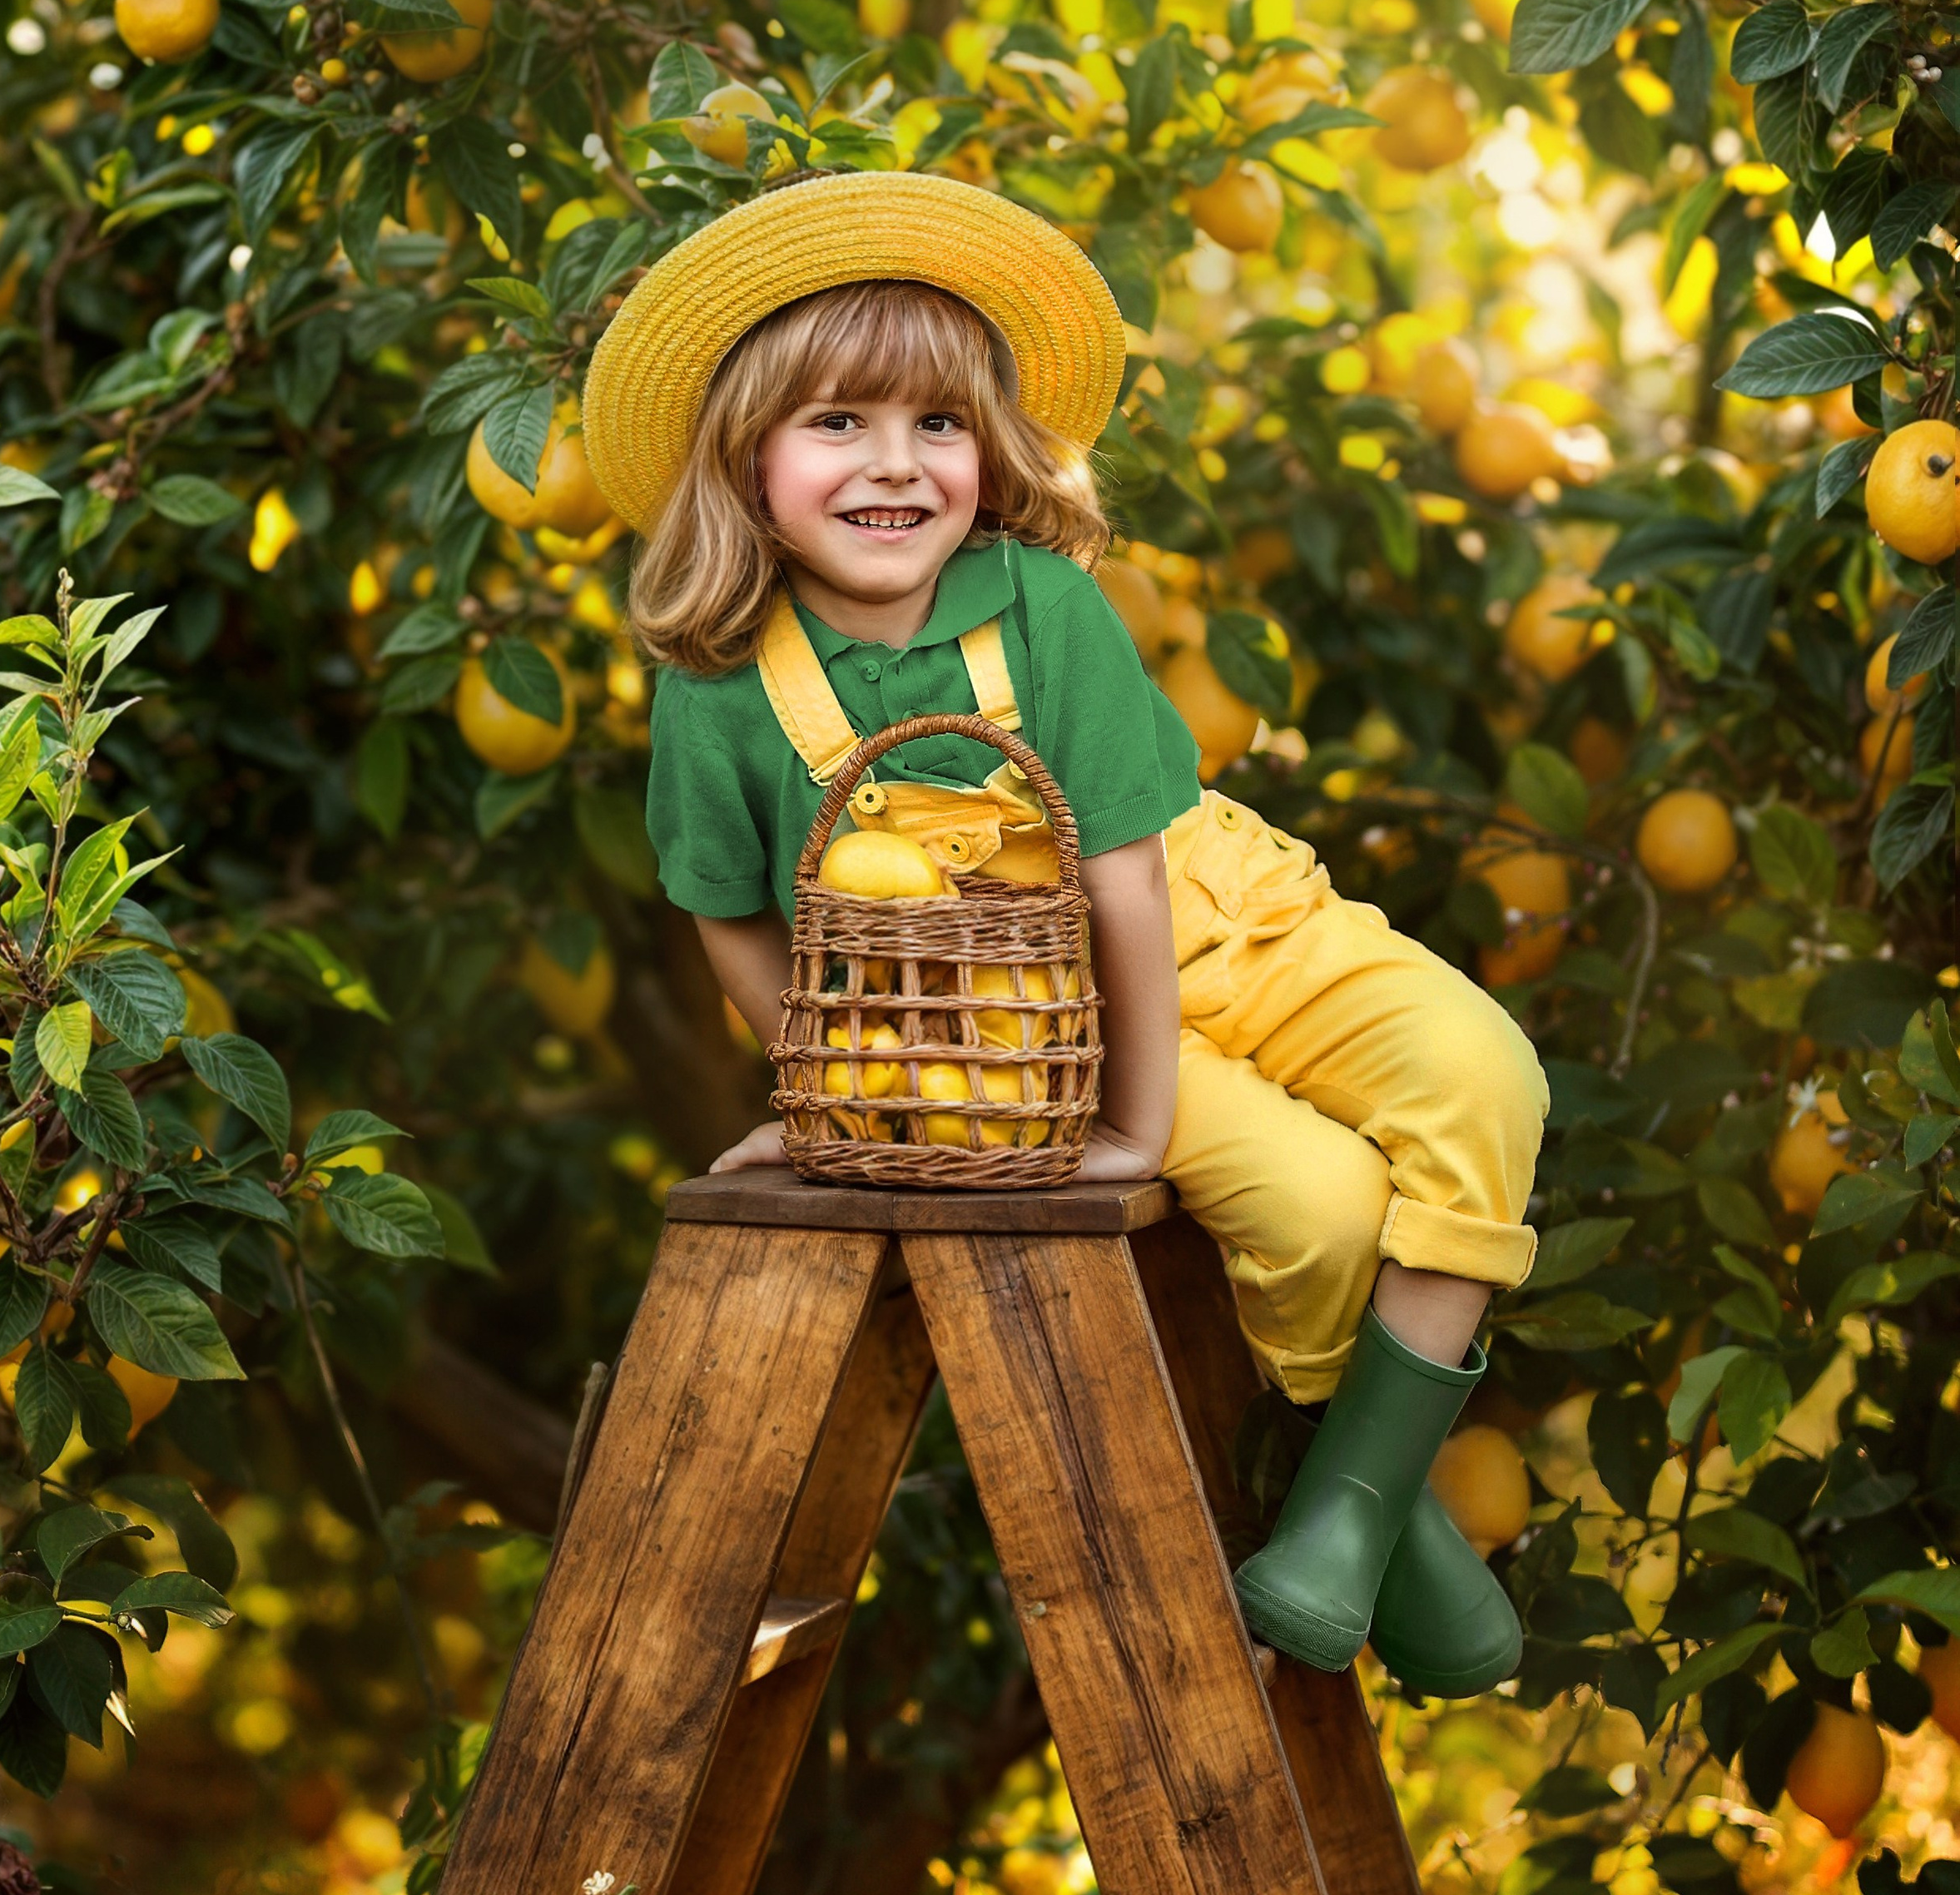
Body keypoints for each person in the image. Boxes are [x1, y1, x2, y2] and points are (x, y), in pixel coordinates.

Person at [581, 172, 1547, 1696]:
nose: (895, 467)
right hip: (1030, 1043)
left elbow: (1129, 886)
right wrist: (828, 1098)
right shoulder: (718, 691)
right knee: (1319, 1213)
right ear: (744, 455)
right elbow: (734, 931)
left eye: (938, 427)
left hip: (1216, 924)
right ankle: (1368, 1492)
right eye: (838, 424)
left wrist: (1141, 1124)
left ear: (988, 450)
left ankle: (1352, 1503)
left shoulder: (1040, 601)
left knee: (1486, 1076)